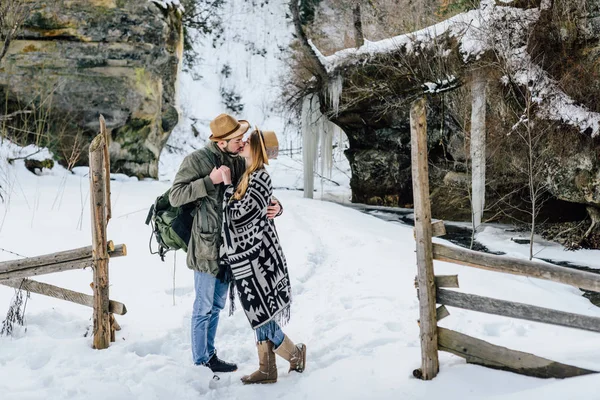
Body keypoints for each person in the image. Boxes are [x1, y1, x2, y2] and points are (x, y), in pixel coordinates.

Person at [169, 114, 282, 373]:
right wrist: (211, 181)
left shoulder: (239, 161)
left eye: (242, 138)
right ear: (221, 142)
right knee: (203, 306)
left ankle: (210, 355)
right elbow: (176, 196)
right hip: (206, 248)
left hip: (230, 250)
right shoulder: (196, 160)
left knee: (217, 306)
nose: (242, 143)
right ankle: (200, 361)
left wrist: (277, 206)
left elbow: (255, 193)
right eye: (237, 139)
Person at [219, 128, 306, 385]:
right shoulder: (248, 173)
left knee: (261, 313)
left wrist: (225, 186)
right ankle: (267, 368)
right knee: (257, 313)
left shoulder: (259, 177)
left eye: (248, 141)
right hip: (249, 259)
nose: (243, 142)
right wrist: (276, 206)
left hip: (259, 259)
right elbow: (259, 204)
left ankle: (294, 355)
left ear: (257, 149)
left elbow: (240, 215)